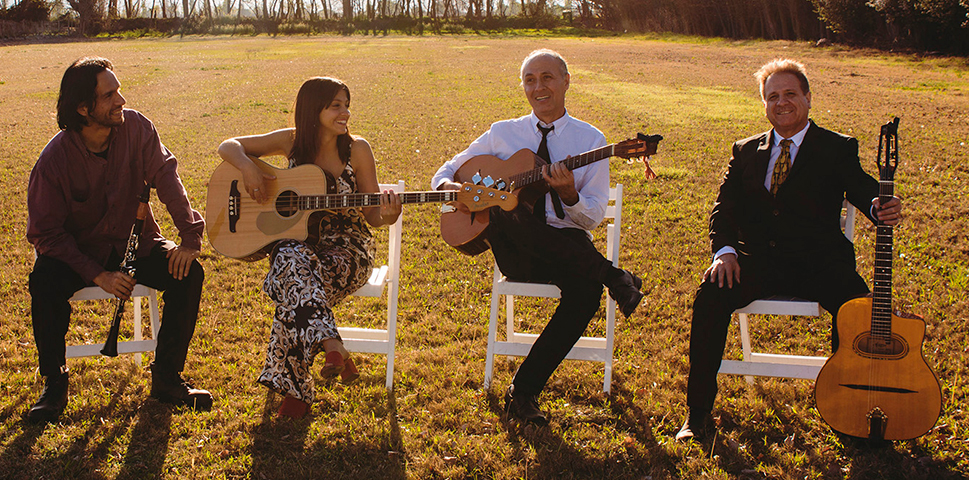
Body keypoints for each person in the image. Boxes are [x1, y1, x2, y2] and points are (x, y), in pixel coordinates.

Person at [676, 58, 903, 441]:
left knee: (856, 309)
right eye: (772, 96)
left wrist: (878, 205)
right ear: (764, 103)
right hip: (757, 262)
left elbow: (862, 187)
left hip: (820, 264)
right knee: (710, 295)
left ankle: (848, 410)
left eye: (790, 94)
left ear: (808, 98)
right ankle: (697, 414)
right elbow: (723, 209)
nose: (781, 103)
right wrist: (725, 252)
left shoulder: (836, 147)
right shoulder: (746, 150)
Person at [431, 49, 643, 426]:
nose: (538, 86)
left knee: (585, 293)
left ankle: (523, 392)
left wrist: (568, 195)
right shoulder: (502, 132)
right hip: (517, 253)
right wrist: (450, 185)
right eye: (530, 79)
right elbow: (447, 168)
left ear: (565, 81)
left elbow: (592, 216)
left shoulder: (591, 140)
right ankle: (613, 275)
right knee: (506, 206)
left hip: (567, 249)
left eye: (547, 77)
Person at [26, 57, 212, 425]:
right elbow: (45, 234)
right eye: (109, 94)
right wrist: (98, 274)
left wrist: (189, 238)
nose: (121, 100)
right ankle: (54, 382)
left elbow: (167, 178)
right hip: (79, 254)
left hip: (138, 244)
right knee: (43, 280)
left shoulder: (138, 129)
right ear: (83, 108)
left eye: (118, 90)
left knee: (189, 275)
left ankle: (167, 379)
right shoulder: (53, 161)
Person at [217, 77, 401, 419]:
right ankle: (333, 346)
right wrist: (247, 169)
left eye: (347, 104)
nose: (345, 112)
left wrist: (388, 214)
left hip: (348, 251)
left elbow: (373, 214)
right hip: (300, 247)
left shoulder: (357, 149)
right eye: (336, 106)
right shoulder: (292, 141)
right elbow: (228, 146)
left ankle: (301, 385)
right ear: (312, 109)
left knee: (290, 282)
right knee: (289, 258)